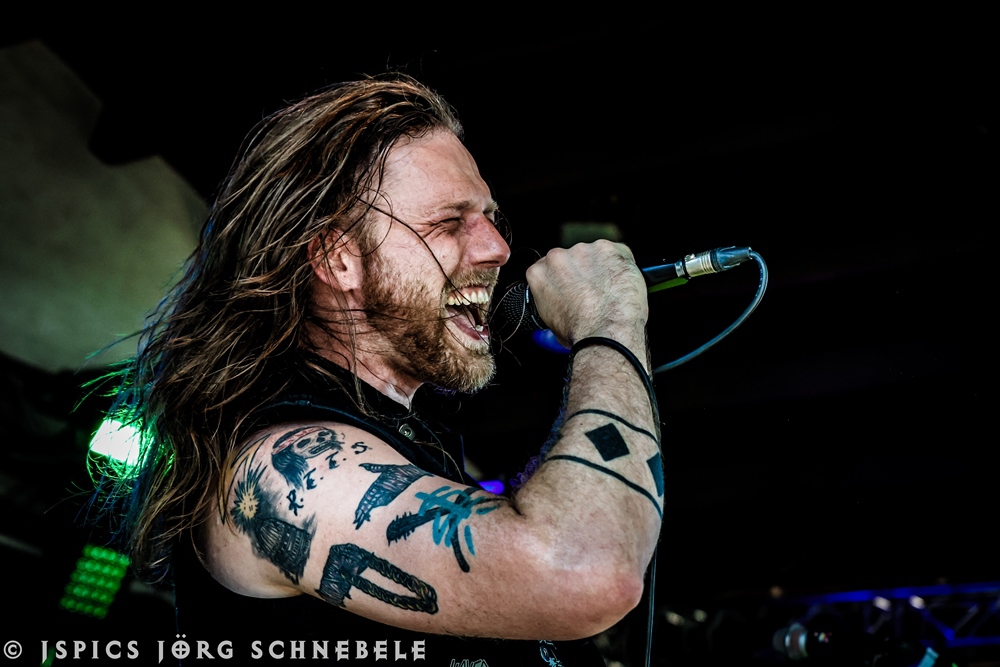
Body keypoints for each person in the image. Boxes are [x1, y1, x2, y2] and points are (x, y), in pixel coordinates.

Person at [106, 73, 662, 665]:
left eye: (489, 217)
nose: (497, 248)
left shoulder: (411, 446)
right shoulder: (284, 467)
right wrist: (610, 323)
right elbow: (584, 568)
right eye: (449, 222)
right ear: (337, 258)